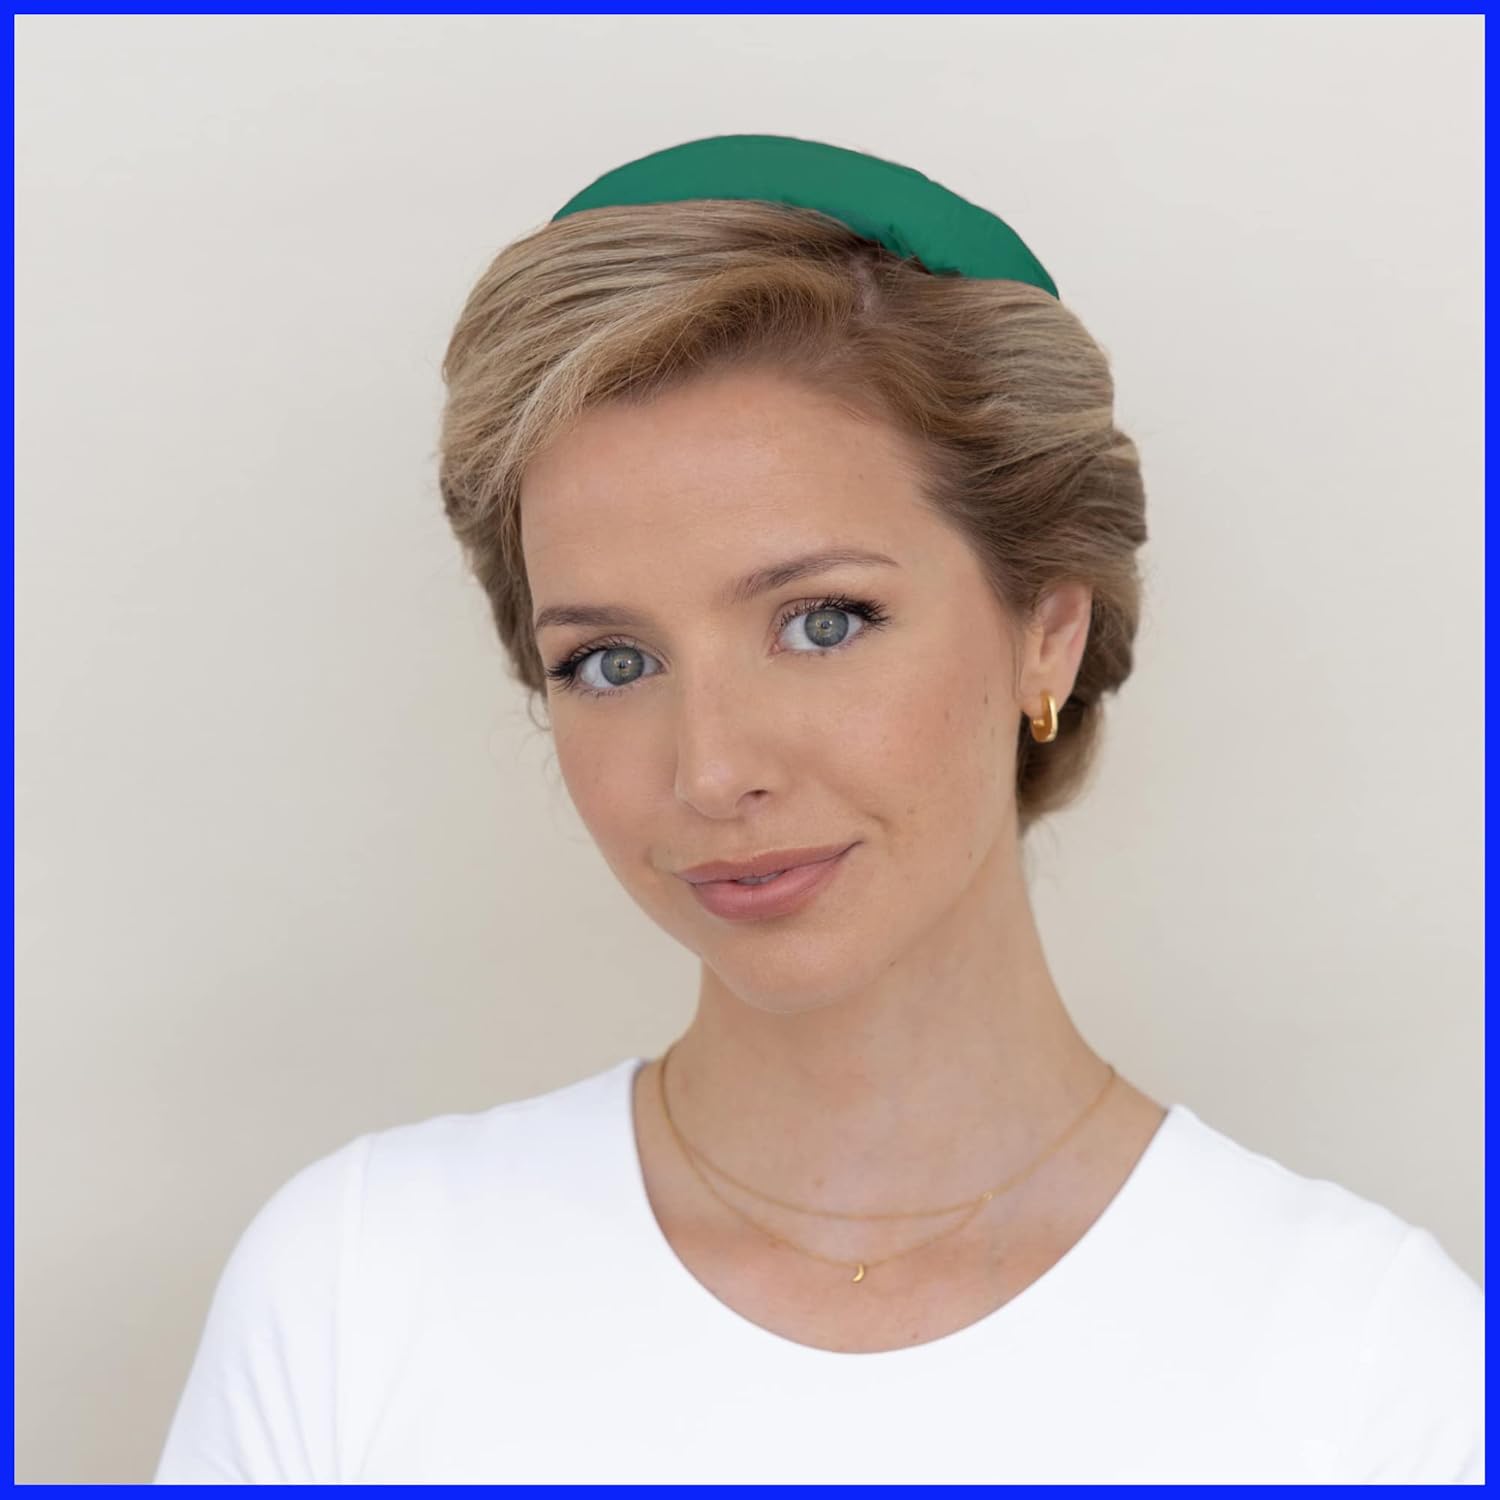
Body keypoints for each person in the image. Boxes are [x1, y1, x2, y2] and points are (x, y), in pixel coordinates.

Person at [153, 134, 1483, 1484]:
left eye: (824, 621)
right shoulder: (358, 1289)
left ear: (1048, 633)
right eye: (610, 662)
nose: (711, 770)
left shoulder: (1367, 1366)